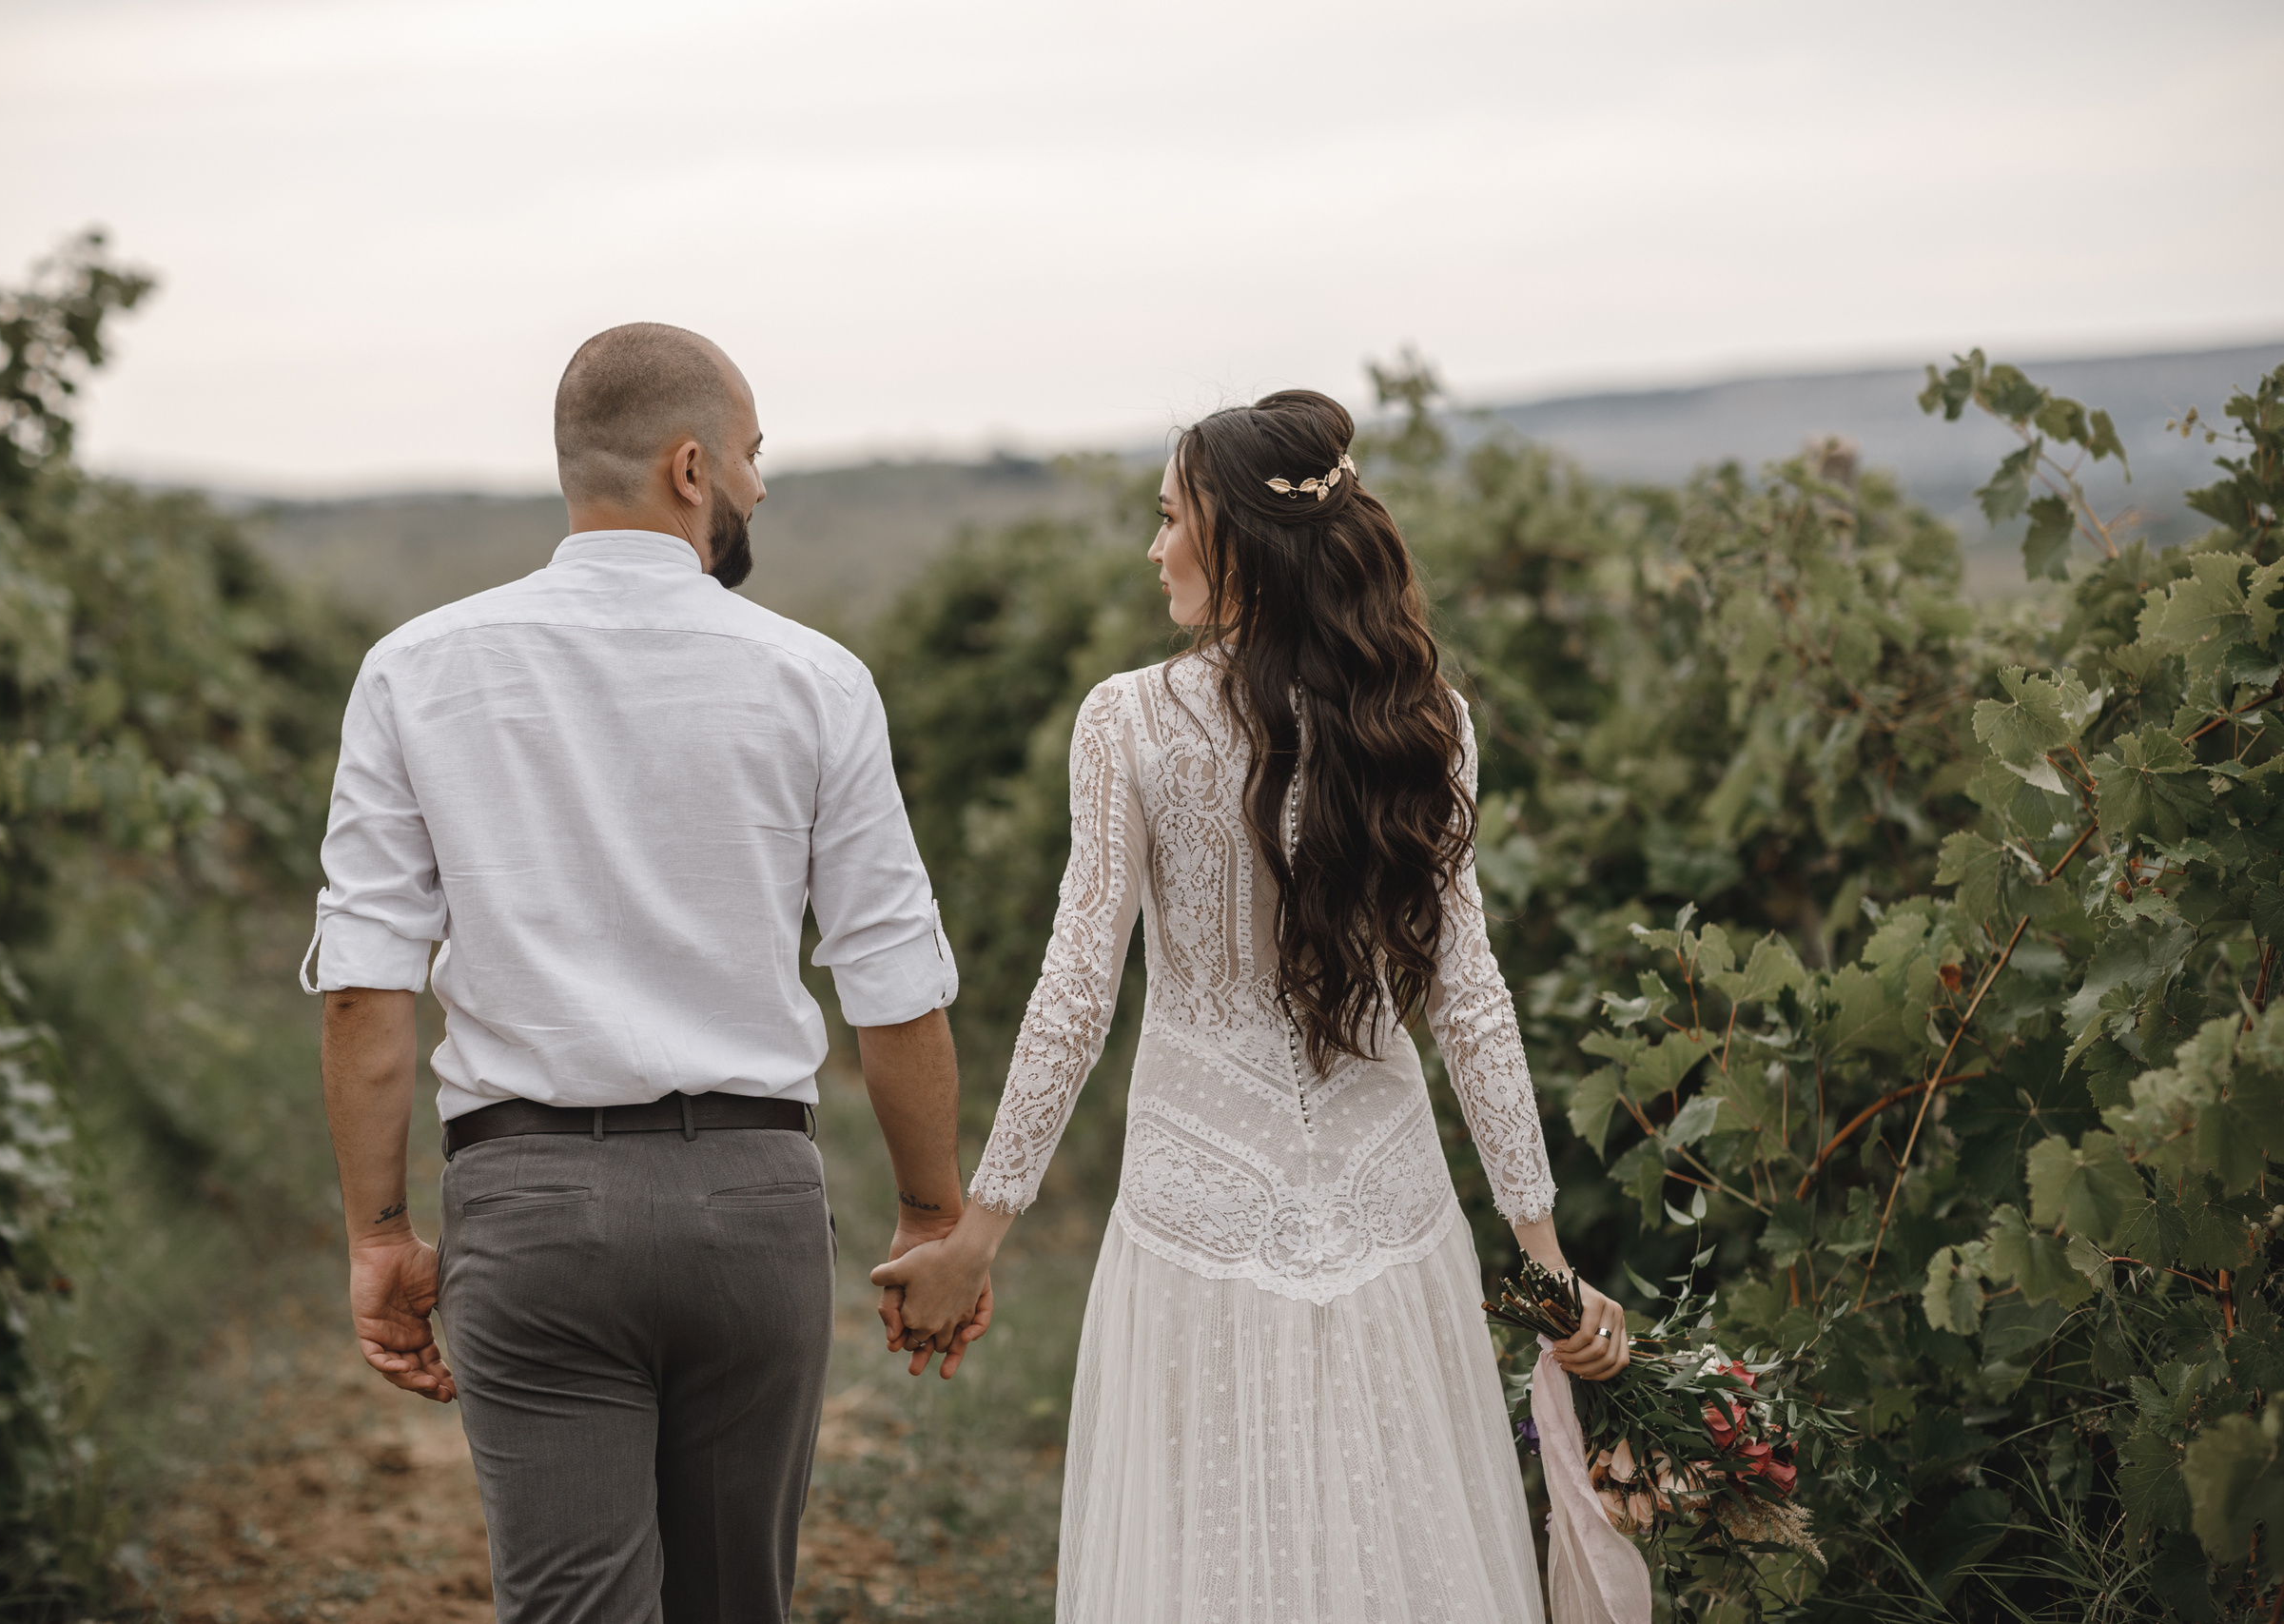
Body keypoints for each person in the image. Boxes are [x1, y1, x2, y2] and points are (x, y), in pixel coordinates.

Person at [871, 390, 1630, 1623]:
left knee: (1207, 1558)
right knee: (1402, 1548)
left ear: (1234, 538)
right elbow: (1468, 998)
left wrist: (982, 1229)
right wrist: (1542, 1255)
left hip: (1197, 1212)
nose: (1153, 547)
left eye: (1169, 518)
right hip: (1390, 1206)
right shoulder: (1425, 721)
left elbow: (1078, 987)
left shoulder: (1128, 721)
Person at [304, 323, 987, 1624]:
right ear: (691, 467)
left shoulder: (414, 671)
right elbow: (893, 988)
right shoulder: (816, 680)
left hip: (528, 1210)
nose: (761, 487)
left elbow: (364, 991)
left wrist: (382, 1233)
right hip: (754, 1213)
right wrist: (928, 1214)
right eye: (754, 455)